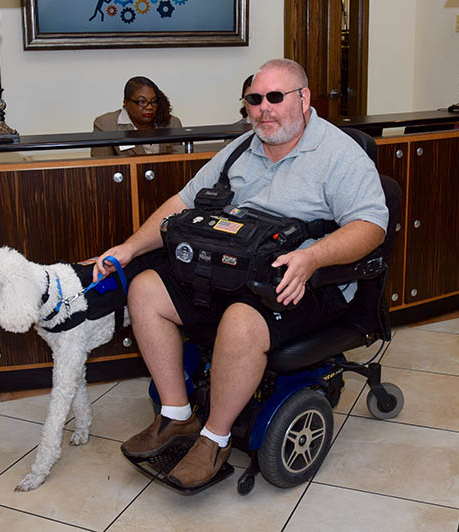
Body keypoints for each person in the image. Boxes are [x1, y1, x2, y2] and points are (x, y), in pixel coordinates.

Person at [94, 59, 388, 489]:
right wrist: (129, 248)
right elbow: (182, 202)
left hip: (307, 279)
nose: (263, 109)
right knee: (146, 289)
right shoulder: (240, 149)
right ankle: (177, 415)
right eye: (255, 99)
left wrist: (312, 258)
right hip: (236, 270)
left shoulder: (338, 155)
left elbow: (371, 226)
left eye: (275, 97)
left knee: (241, 321)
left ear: (303, 99)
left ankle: (214, 438)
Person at [91, 76, 183, 157]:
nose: (149, 107)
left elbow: (179, 162)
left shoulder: (172, 123)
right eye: (142, 102)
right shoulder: (105, 125)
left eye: (153, 101)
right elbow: (102, 166)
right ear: (126, 102)